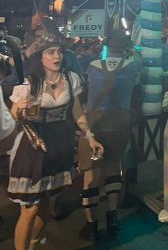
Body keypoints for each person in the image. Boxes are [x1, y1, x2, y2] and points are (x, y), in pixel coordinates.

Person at [8, 34, 104, 250]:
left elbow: (77, 112)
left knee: (45, 206)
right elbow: (13, 117)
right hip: (34, 146)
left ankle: (33, 244)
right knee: (30, 208)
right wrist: (19, 108)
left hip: (60, 146)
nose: (57, 56)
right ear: (40, 57)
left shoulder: (71, 79)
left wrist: (90, 136)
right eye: (51, 52)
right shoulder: (29, 81)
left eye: (59, 51)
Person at [78, 31, 141, 240]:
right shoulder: (133, 67)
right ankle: (112, 215)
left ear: (107, 46)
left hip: (95, 122)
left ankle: (91, 224)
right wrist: (133, 52)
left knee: (91, 175)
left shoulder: (93, 66)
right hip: (120, 123)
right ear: (126, 48)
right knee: (114, 167)